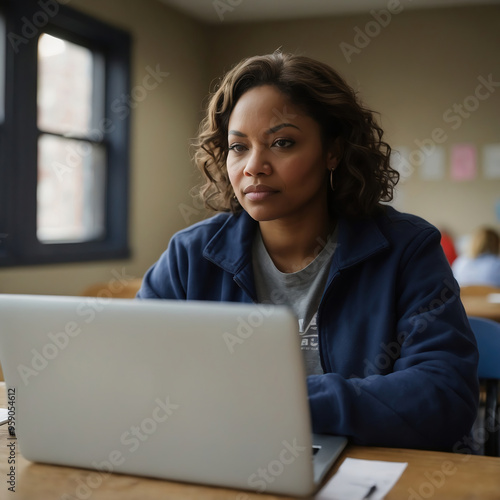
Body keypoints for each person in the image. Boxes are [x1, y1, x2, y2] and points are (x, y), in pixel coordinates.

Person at [137, 52, 479, 451]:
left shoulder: (407, 248)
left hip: (371, 467)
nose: (254, 166)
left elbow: (443, 395)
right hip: (229, 457)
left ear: (332, 151)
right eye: (238, 147)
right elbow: (136, 377)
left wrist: (284, 404)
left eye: (282, 143)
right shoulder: (189, 256)